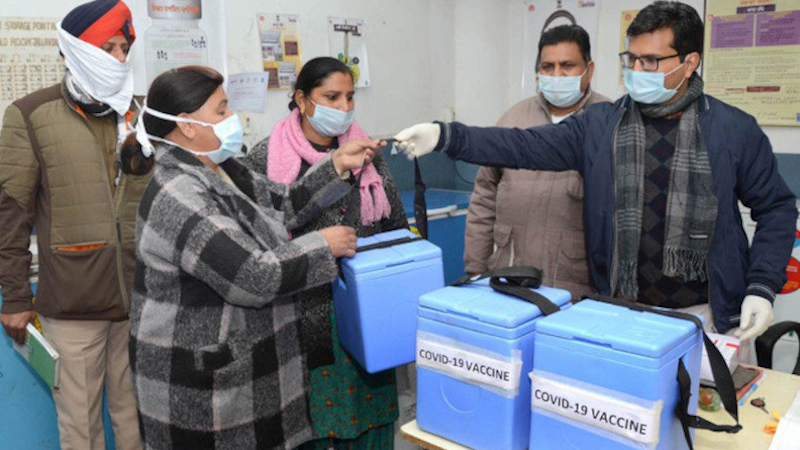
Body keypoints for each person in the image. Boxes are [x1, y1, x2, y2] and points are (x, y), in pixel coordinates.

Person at [394, 1, 797, 357]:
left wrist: (761, 285)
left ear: (689, 63)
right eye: (631, 58)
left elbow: (776, 208)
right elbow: (522, 146)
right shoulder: (600, 125)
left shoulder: (733, 130)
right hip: (620, 311)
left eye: (651, 61)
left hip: (707, 315)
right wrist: (446, 135)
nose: (637, 71)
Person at [125, 65, 384, 450]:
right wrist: (321, 245)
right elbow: (251, 277)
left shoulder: (222, 169)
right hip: (204, 391)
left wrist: (336, 166)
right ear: (187, 125)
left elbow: (284, 204)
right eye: (221, 110)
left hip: (247, 373)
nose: (233, 120)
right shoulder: (179, 194)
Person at [0, 1, 145, 449]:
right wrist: (16, 296)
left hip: (141, 296)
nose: (119, 59)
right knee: (81, 427)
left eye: (124, 48)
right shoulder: (30, 114)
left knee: (137, 417)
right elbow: (10, 215)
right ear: (73, 52)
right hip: (74, 300)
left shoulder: (140, 114)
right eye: (108, 48)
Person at [244, 56, 408, 450]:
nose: (344, 108)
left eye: (350, 97)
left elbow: (396, 228)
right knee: (310, 424)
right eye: (331, 97)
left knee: (371, 419)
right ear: (302, 99)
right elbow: (257, 244)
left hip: (366, 310)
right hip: (299, 317)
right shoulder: (265, 158)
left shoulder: (367, 156)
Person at [464, 24, 610, 300]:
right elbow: (483, 200)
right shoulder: (512, 121)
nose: (557, 75)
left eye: (567, 66)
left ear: (589, 70)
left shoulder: (608, 124)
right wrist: (475, 269)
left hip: (577, 293)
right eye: (547, 66)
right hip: (509, 283)